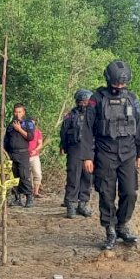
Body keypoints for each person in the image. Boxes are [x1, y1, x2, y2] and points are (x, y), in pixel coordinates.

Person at [81, 60, 140, 250]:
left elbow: (139, 126)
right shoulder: (97, 99)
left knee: (130, 192)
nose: (120, 86)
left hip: (128, 152)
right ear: (109, 79)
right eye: (117, 82)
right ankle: (109, 229)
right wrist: (87, 156)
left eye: (123, 83)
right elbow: (87, 129)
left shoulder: (132, 98)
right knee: (106, 193)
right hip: (105, 152)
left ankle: (122, 225)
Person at [59, 89, 95, 218]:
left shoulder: (94, 116)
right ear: (78, 102)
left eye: (87, 101)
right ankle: (71, 205)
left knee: (88, 178)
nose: (84, 104)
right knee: (73, 177)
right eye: (82, 101)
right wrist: (63, 146)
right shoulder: (70, 116)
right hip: (75, 149)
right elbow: (63, 132)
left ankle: (83, 204)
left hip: (90, 150)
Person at [5, 103, 35, 207]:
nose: (17, 114)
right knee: (14, 177)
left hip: (23, 153)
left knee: (24, 176)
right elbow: (6, 140)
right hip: (11, 154)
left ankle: (29, 197)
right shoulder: (11, 124)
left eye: (20, 112)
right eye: (16, 112)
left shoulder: (28, 123)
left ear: (23, 112)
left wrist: (19, 129)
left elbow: (30, 137)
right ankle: (16, 198)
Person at [28, 121, 46, 198]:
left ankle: (36, 192)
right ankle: (28, 193)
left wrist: (35, 150)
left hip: (34, 156)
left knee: (37, 174)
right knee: (27, 176)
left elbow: (40, 144)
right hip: (24, 156)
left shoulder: (38, 132)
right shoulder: (23, 132)